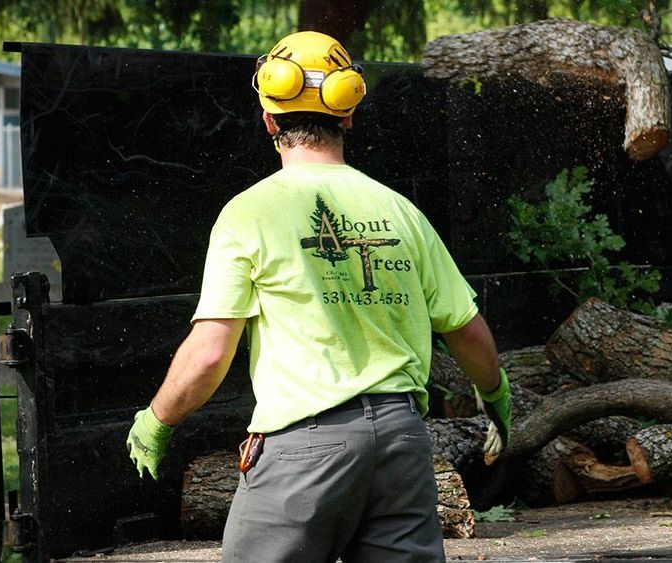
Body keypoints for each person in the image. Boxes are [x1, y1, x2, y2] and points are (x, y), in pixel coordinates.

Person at [125, 30, 511, 563]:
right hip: (402, 443)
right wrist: (495, 395)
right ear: (348, 116)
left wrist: (158, 418)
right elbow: (465, 329)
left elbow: (211, 352)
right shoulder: (402, 212)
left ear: (268, 119)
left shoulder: (249, 213)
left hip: (305, 450)